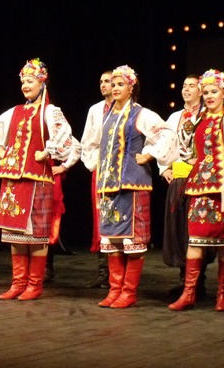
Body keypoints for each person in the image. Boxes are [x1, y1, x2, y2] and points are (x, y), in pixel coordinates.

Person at [0, 58, 74, 301]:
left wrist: (47, 152)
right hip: (13, 180)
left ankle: (34, 284)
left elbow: (65, 136)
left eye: (30, 80)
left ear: (42, 83)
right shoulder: (14, 112)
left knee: (36, 235)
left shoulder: (50, 111)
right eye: (23, 81)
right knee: (15, 233)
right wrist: (1, 152)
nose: (25, 85)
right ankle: (18, 283)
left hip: (37, 178)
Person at [92, 65, 178, 309]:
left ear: (131, 88)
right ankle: (114, 290)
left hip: (132, 184)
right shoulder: (107, 115)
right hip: (109, 186)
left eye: (120, 84)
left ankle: (128, 292)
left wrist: (149, 154)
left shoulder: (141, 114)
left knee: (132, 242)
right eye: (113, 84)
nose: (115, 88)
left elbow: (168, 134)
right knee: (112, 241)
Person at [168, 69, 224, 312]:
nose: (209, 96)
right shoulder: (197, 119)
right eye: (206, 92)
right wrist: (193, 161)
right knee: (195, 240)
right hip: (199, 187)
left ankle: (223, 296)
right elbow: (183, 145)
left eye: (214, 91)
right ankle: (189, 293)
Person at [160, 74, 207, 296]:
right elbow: (163, 144)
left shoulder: (207, 115)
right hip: (179, 178)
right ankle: (185, 280)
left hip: (200, 179)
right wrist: (164, 169)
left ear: (201, 90)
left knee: (196, 230)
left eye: (192, 86)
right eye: (184, 86)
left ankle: (199, 280)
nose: (186, 89)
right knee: (179, 229)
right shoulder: (174, 117)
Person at [79, 70, 114, 289]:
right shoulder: (95, 109)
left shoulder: (131, 109)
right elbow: (87, 140)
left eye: (108, 81)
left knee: (117, 217)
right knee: (100, 218)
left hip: (120, 169)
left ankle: (117, 272)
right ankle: (103, 271)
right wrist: (93, 163)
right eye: (101, 81)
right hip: (101, 169)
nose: (104, 85)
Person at [44, 136, 82, 283]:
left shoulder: (57, 130)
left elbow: (76, 146)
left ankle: (47, 266)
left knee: (49, 222)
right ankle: (30, 267)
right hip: (30, 177)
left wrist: (63, 166)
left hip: (50, 177)